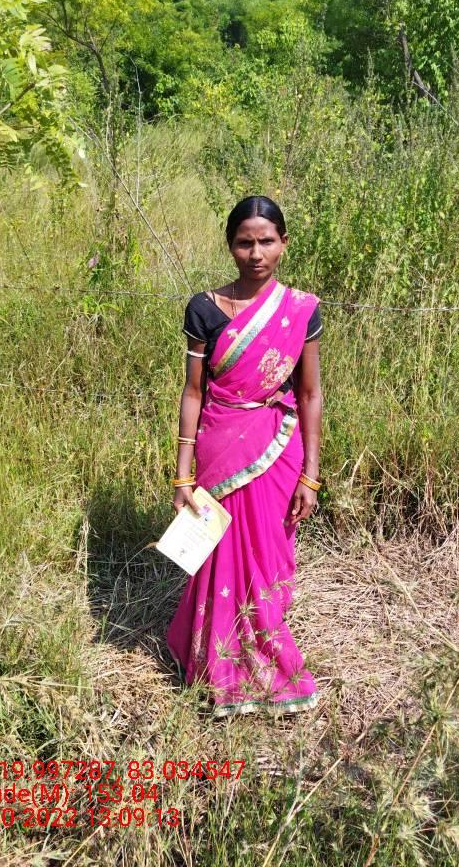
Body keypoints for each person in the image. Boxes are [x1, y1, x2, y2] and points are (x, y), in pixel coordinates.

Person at [166, 195, 323, 718]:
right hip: (220, 443)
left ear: (283, 244)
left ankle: (265, 651)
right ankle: (215, 664)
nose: (256, 254)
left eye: (266, 241)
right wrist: (182, 475)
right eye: (244, 242)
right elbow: (193, 391)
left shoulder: (301, 309)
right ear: (230, 245)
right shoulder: (204, 308)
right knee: (219, 557)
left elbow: (309, 395)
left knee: (266, 554)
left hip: (278, 447)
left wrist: (311, 475)